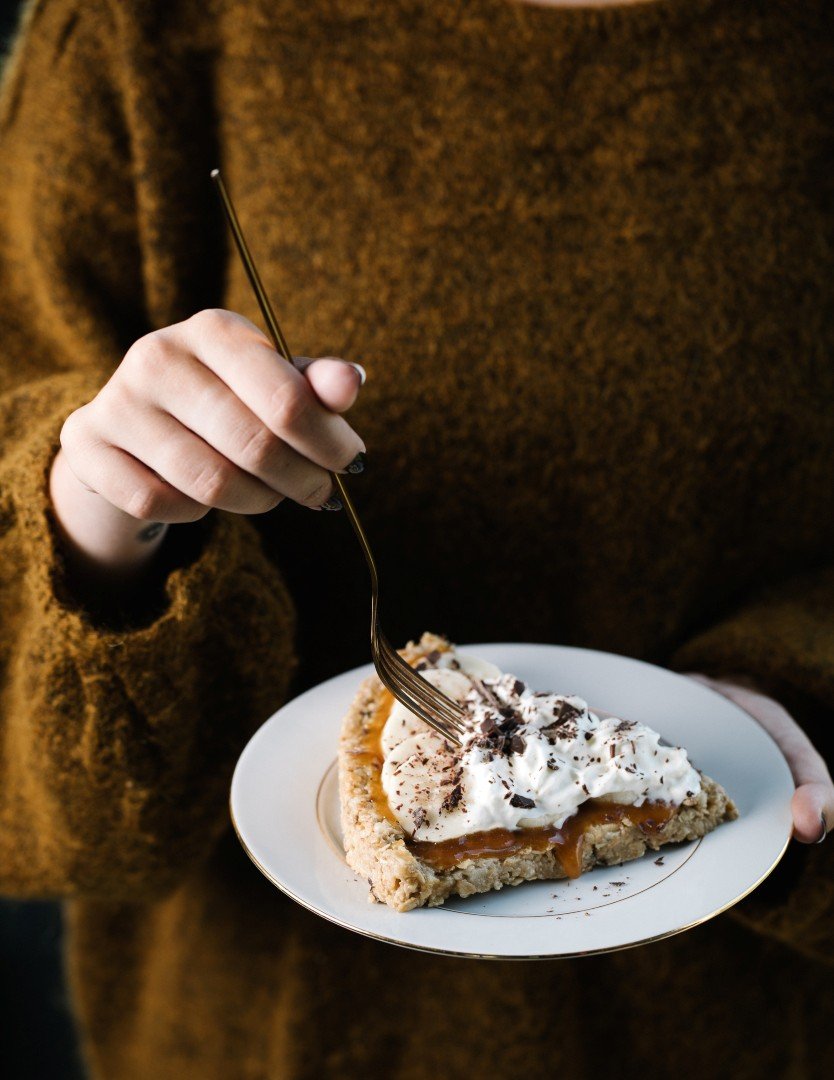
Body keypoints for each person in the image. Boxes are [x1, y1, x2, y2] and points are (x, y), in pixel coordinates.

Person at [1, 0, 832, 1076]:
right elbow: (38, 818)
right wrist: (95, 523)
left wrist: (797, 682)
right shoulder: (141, 30)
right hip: (262, 1037)